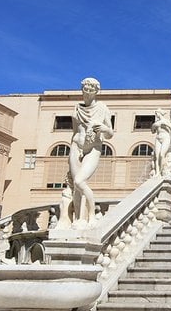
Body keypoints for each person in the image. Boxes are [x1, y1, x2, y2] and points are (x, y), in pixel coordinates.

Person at [69, 77, 113, 228]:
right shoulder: (77, 108)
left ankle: (92, 216)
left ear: (96, 91)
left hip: (94, 147)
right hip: (76, 146)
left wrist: (104, 129)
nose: (87, 93)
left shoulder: (102, 108)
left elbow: (110, 133)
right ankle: (78, 219)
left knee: (79, 181)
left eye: (90, 90)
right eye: (85, 89)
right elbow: (75, 130)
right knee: (76, 187)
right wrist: (76, 147)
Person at [151, 108, 171, 177]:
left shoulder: (165, 121)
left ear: (160, 113)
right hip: (158, 138)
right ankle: (157, 173)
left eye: (157, 113)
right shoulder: (156, 123)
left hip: (165, 137)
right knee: (156, 156)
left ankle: (162, 172)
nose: (156, 115)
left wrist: (165, 124)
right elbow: (153, 131)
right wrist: (154, 126)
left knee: (162, 154)